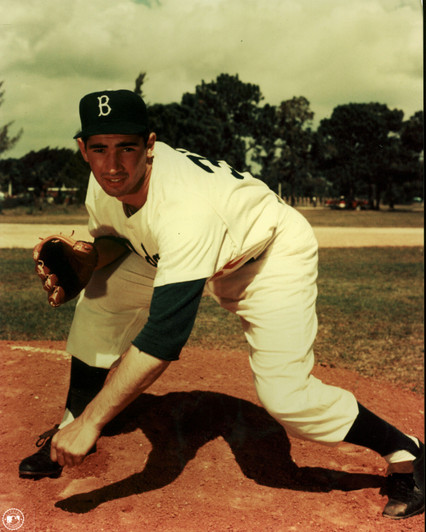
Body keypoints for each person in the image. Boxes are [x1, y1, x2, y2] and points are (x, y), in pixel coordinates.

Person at [19, 90, 424, 520]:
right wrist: (93, 260)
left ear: (150, 146)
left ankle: (407, 453)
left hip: (266, 255)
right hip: (170, 252)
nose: (113, 164)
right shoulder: (103, 182)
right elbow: (115, 237)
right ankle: (72, 420)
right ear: (83, 150)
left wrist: (96, 421)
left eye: (127, 148)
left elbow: (164, 337)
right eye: (99, 149)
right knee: (101, 297)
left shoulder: (185, 206)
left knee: (289, 398)